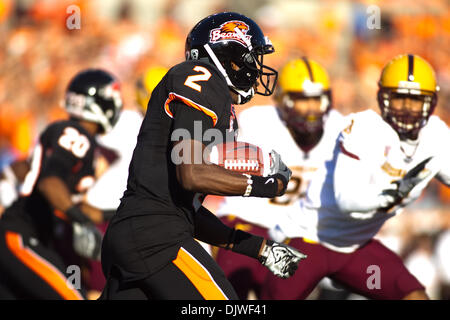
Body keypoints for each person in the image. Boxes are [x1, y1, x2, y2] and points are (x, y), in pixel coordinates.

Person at [100, 12, 306, 300]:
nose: (256, 69)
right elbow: (192, 173)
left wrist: (259, 248)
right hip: (156, 241)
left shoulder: (212, 99)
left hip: (137, 237)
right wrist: (264, 186)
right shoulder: (203, 77)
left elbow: (187, 213)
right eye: (250, 58)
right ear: (227, 53)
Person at [260, 54, 450, 300]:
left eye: (415, 100)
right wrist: (396, 190)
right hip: (308, 238)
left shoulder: (436, 135)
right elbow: (347, 201)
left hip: (356, 247)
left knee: (413, 296)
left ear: (431, 102)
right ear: (383, 97)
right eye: (399, 97)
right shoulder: (363, 129)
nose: (406, 107)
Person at [214, 57, 346, 299]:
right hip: (247, 221)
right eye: (302, 100)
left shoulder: (339, 128)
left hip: (294, 231)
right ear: (284, 100)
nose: (311, 109)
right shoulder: (257, 123)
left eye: (316, 100)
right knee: (230, 291)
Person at [0, 69, 123, 299]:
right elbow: (50, 183)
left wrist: (116, 215)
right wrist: (81, 222)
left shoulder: (73, 136)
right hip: (23, 236)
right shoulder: (75, 134)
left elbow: (73, 204)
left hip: (32, 238)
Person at [83, 66, 169, 296]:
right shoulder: (128, 122)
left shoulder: (147, 124)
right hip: (107, 216)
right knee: (100, 288)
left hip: (127, 218)